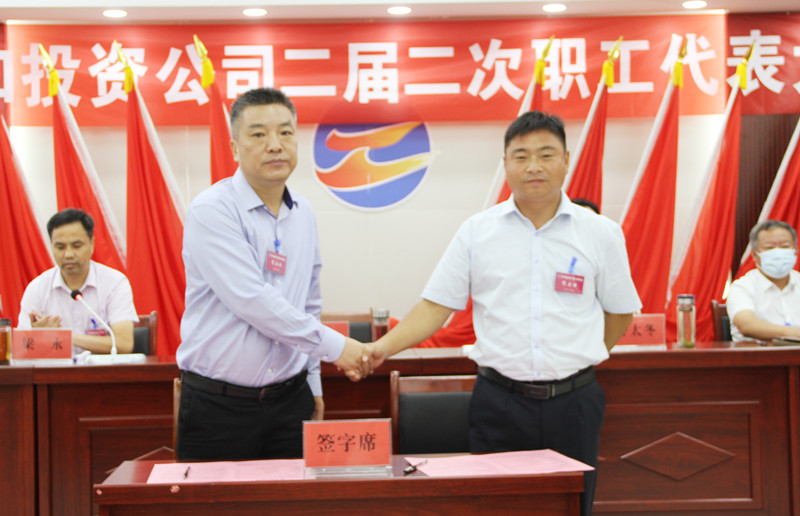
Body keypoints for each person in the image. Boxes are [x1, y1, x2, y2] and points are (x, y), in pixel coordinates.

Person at [368, 111, 641, 516]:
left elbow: (619, 313)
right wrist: (379, 349)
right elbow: (435, 307)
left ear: (566, 160)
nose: (534, 166)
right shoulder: (477, 232)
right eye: (521, 156)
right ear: (505, 164)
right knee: (498, 507)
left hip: (574, 404)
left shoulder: (600, 232)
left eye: (546, 154)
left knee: (572, 506)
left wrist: (576, 357)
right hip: (500, 403)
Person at [176, 87, 370, 461]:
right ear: (235, 148)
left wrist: (313, 383)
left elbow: (309, 303)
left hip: (291, 402)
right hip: (219, 408)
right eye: (259, 134)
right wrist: (338, 348)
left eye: (285, 132)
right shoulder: (212, 210)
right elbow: (252, 300)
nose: (275, 145)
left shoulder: (304, 213)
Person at [17, 208, 138, 354]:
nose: (68, 254)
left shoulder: (114, 283)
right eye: (60, 247)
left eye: (76, 246)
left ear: (91, 244)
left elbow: (124, 344)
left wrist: (61, 337)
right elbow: (20, 351)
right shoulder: (37, 288)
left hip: (103, 368)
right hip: (55, 368)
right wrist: (35, 337)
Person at [726, 220, 800, 342]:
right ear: (755, 255)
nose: (778, 253)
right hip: (757, 352)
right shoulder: (742, 286)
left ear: (795, 251)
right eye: (769, 248)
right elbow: (746, 325)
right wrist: (794, 333)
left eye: (785, 246)